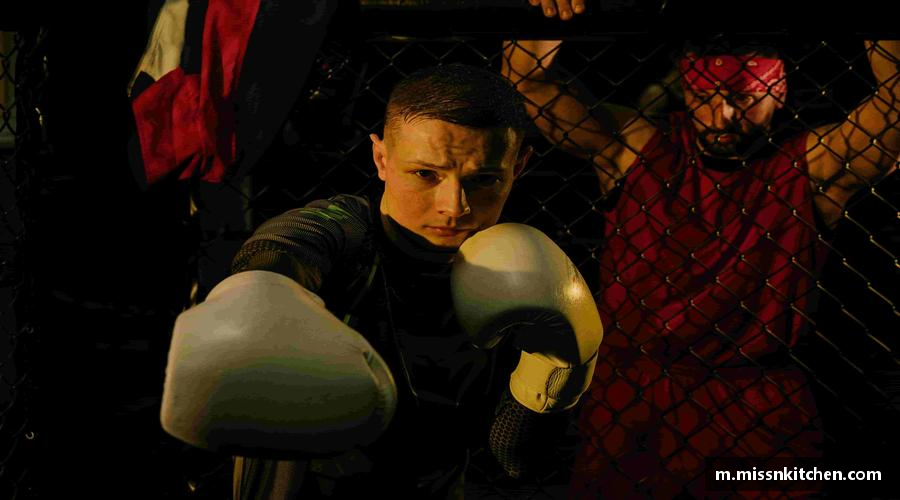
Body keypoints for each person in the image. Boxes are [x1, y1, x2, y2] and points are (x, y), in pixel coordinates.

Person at [158, 63, 604, 499]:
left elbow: (516, 458)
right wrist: (264, 287)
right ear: (381, 159)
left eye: (484, 179)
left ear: (519, 166)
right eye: (425, 174)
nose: (454, 207)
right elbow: (287, 245)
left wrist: (556, 374)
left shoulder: (525, 270)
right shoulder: (345, 232)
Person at [503, 30, 899, 498]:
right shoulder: (635, 148)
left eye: (743, 97)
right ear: (685, 89)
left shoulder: (811, 166)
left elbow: (895, 108)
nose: (722, 115)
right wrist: (548, 12)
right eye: (704, 96)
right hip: (633, 390)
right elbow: (528, 83)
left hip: (756, 398)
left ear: (778, 91)